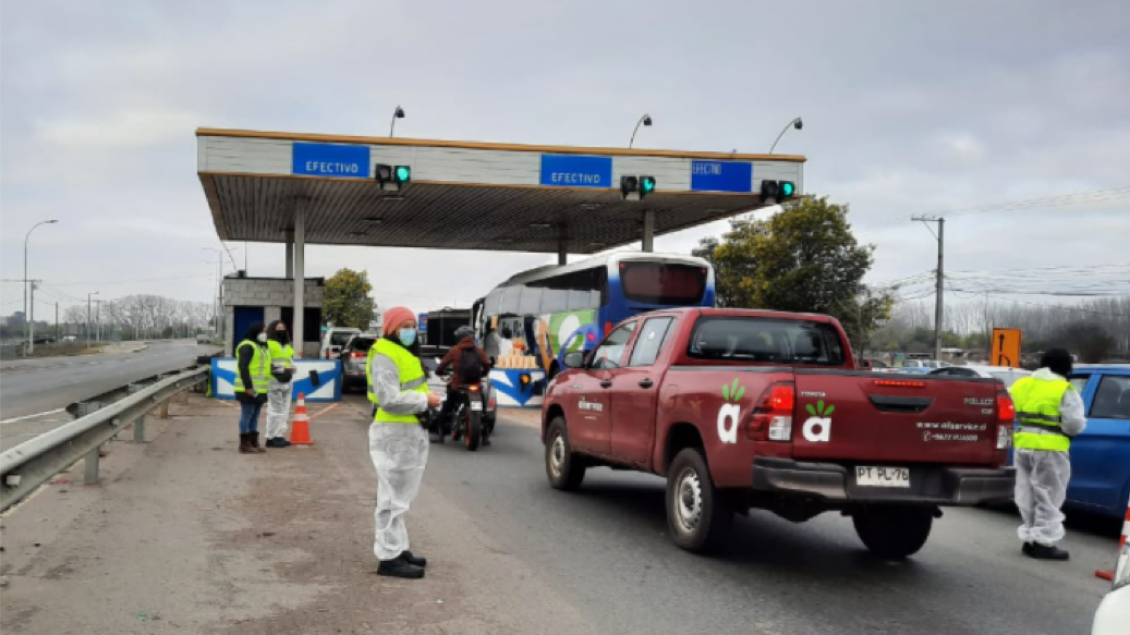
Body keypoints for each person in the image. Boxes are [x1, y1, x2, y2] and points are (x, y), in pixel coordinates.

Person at [367, 306, 443, 579]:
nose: (410, 331)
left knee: (400, 496)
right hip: (394, 431)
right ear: (391, 328)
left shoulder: (403, 352)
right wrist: (425, 400)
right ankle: (388, 557)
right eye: (404, 326)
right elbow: (388, 398)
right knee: (391, 497)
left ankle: (398, 548)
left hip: (408, 429)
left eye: (412, 325)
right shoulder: (385, 354)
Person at [1010, 348, 1085, 561]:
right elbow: (1074, 423)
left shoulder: (1022, 384)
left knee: (1026, 493)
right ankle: (1043, 543)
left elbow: (1010, 409)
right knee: (1049, 496)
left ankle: (1029, 538)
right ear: (1066, 367)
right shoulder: (1063, 388)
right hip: (1050, 447)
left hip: (1023, 444)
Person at [436, 325, 492, 445]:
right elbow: (487, 365)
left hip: (458, 386)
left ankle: (441, 435)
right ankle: (485, 437)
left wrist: (439, 372)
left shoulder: (454, 350)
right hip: (476, 386)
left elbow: (441, 366)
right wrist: (483, 373)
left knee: (447, 407)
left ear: (459, 337)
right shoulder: (479, 351)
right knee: (483, 410)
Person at [235, 322, 271, 454]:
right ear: (256, 331)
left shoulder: (262, 347)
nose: (265, 334)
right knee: (247, 415)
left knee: (255, 416)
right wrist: (248, 386)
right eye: (263, 331)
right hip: (247, 388)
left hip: (260, 389)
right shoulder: (247, 346)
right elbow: (243, 367)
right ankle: (244, 444)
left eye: (266, 332)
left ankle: (253, 443)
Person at [264, 320, 296, 448]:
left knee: (285, 410)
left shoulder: (287, 346)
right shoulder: (268, 345)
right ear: (273, 330)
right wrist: (282, 369)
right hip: (274, 382)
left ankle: (279, 435)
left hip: (287, 382)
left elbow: (291, 362)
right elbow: (266, 364)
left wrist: (292, 370)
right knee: (275, 410)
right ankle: (270, 437)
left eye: (283, 328)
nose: (281, 330)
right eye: (278, 328)